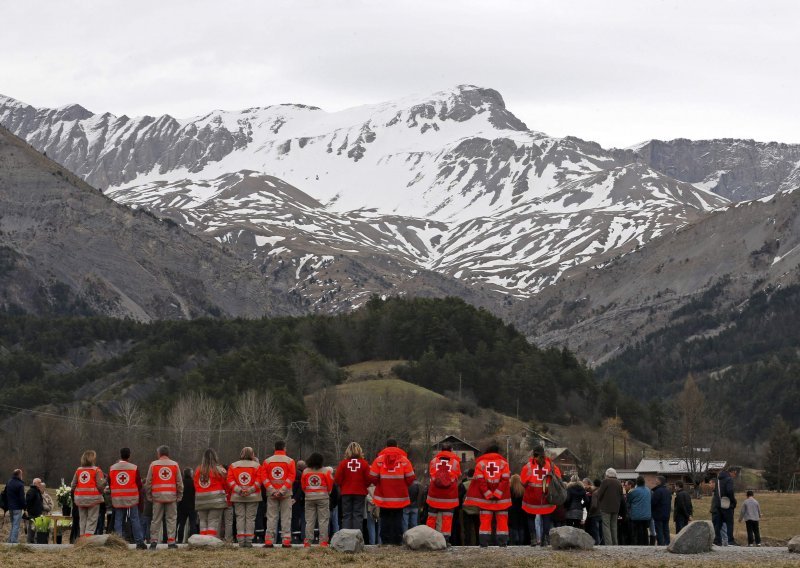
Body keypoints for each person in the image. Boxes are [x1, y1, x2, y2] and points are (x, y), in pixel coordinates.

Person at [369, 438, 416, 545]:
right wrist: (403, 485)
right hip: (399, 497)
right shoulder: (404, 460)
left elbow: (372, 477)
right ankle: (397, 540)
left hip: (383, 496)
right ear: (397, 446)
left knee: (384, 518)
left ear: (386, 446)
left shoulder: (379, 460)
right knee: (398, 518)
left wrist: (380, 484)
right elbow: (411, 478)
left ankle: (385, 540)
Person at [464, 442, 511, 547]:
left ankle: (484, 543)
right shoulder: (504, 463)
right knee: (502, 521)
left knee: (485, 521)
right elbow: (505, 480)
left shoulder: (480, 463)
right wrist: (498, 493)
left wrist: (488, 493)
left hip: (485, 500)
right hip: (501, 500)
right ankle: (503, 542)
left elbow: (480, 481)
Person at [520, 445, 562, 547]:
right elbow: (559, 478)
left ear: (534, 454)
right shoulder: (551, 465)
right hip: (546, 496)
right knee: (546, 518)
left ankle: (533, 539)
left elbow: (523, 481)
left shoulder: (528, 466)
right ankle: (545, 540)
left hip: (531, 497)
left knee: (531, 518)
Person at [145, 445, 183, 549]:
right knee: (171, 519)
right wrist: (179, 495)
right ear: (168, 454)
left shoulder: (153, 465)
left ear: (159, 454)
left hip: (157, 497)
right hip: (171, 497)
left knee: (156, 520)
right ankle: (171, 542)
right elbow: (179, 482)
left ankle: (153, 542)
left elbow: (148, 482)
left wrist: (149, 495)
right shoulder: (175, 465)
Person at [260, 440, 296, 547]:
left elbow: (264, 478)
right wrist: (282, 490)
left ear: (274, 448)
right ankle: (286, 541)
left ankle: (269, 541)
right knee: (286, 517)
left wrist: (272, 490)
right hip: (286, 494)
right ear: (284, 448)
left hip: (271, 494)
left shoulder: (267, 461)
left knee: (271, 517)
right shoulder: (290, 461)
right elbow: (291, 477)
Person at [108, 447, 146, 549]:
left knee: (118, 520)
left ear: (120, 455)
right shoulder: (134, 467)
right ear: (129, 455)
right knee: (135, 519)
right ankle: (139, 542)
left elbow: (110, 482)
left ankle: (118, 543)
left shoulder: (112, 468)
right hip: (131, 498)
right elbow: (139, 484)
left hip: (118, 498)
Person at [425, 442, 462, 544]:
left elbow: (432, 476)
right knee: (447, 518)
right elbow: (456, 477)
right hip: (449, 496)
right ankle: (445, 540)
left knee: (431, 517)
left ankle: (429, 538)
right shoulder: (455, 462)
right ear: (451, 450)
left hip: (434, 495)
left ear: (441, 450)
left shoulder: (433, 461)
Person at [228, 446, 262, 548]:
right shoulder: (257, 466)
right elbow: (259, 481)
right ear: (252, 455)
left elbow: (230, 480)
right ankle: (248, 541)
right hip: (253, 496)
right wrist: (250, 490)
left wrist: (239, 490)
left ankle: (241, 541)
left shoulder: (233, 466)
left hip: (238, 497)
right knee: (250, 518)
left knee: (240, 518)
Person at [334, 442, 371, 530]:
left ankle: (346, 538)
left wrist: (343, 486)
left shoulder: (343, 463)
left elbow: (337, 479)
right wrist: (363, 485)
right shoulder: (364, 464)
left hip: (346, 493)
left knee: (346, 515)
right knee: (358, 515)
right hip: (360, 493)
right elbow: (369, 479)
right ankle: (357, 537)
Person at [71, 450, 107, 538]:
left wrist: (76, 494)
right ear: (92, 459)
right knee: (92, 519)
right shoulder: (97, 470)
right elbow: (100, 486)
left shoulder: (78, 470)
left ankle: (82, 538)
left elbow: (73, 485)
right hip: (93, 499)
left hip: (80, 499)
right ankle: (88, 539)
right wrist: (105, 482)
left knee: (82, 519)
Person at [301, 452, 334, 547]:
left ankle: (308, 541)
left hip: (309, 498)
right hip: (323, 498)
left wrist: (308, 493)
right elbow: (330, 484)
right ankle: (323, 541)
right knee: (323, 520)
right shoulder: (325, 471)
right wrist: (327, 492)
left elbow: (303, 486)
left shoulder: (306, 471)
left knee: (309, 521)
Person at [194, 449, 228, 538]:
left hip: (201, 500)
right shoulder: (220, 470)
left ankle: (203, 540)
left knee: (203, 521)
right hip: (216, 500)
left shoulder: (198, 470)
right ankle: (210, 540)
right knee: (213, 521)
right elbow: (225, 484)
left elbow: (195, 484)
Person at [712, 465, 740, 546]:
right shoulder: (729, 479)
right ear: (732, 472)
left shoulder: (718, 479)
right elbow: (730, 490)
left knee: (719, 523)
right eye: (735, 474)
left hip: (718, 504)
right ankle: (730, 540)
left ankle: (717, 540)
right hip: (726, 503)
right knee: (729, 522)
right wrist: (733, 501)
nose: (735, 476)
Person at [594, 468, 623, 545]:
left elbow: (599, 494)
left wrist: (600, 501)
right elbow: (621, 495)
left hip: (606, 507)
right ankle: (615, 543)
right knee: (614, 526)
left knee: (606, 526)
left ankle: (609, 544)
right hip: (616, 507)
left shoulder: (605, 482)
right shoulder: (619, 483)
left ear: (607, 474)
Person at [626, 475, 651, 545]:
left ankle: (636, 544)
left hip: (636, 516)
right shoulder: (648, 490)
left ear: (637, 483)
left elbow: (628, 503)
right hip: (647, 515)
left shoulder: (632, 492)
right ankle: (646, 544)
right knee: (645, 530)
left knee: (636, 532)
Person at [177, 468, 197, 542]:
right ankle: (193, 540)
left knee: (181, 524)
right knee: (192, 524)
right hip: (192, 506)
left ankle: (179, 540)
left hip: (182, 506)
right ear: (191, 474)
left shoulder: (181, 483)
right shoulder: (194, 482)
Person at [460, 469, 479, 546]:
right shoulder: (479, 484)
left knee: (467, 530)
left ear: (467, 476)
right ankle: (478, 543)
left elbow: (460, 496)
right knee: (477, 529)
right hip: (478, 510)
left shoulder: (464, 485)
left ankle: (468, 544)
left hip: (466, 510)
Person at [650, 475, 671, 545]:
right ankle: (667, 543)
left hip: (658, 514)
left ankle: (661, 544)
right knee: (666, 530)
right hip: (666, 513)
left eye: (656, 480)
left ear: (659, 481)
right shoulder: (668, 491)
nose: (655, 481)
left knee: (659, 530)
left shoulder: (657, 491)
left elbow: (653, 502)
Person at [24, 477, 45, 543]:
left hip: (38, 514)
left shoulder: (37, 491)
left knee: (35, 530)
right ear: (35, 483)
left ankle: (34, 543)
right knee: (31, 530)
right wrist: (28, 511)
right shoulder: (31, 491)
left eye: (41, 482)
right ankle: (29, 543)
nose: (40, 484)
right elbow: (28, 502)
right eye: (39, 483)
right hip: (33, 514)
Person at [508, 474, 527, 545]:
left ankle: (513, 541)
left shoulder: (510, 489)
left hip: (512, 511)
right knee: (521, 526)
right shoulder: (523, 490)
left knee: (513, 526)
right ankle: (521, 542)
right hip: (522, 510)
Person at [583, 478, 601, 545]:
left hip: (594, 514)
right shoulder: (603, 492)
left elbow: (594, 505)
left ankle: (597, 543)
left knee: (595, 531)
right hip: (602, 513)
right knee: (600, 531)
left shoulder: (594, 493)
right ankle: (601, 543)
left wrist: (590, 512)